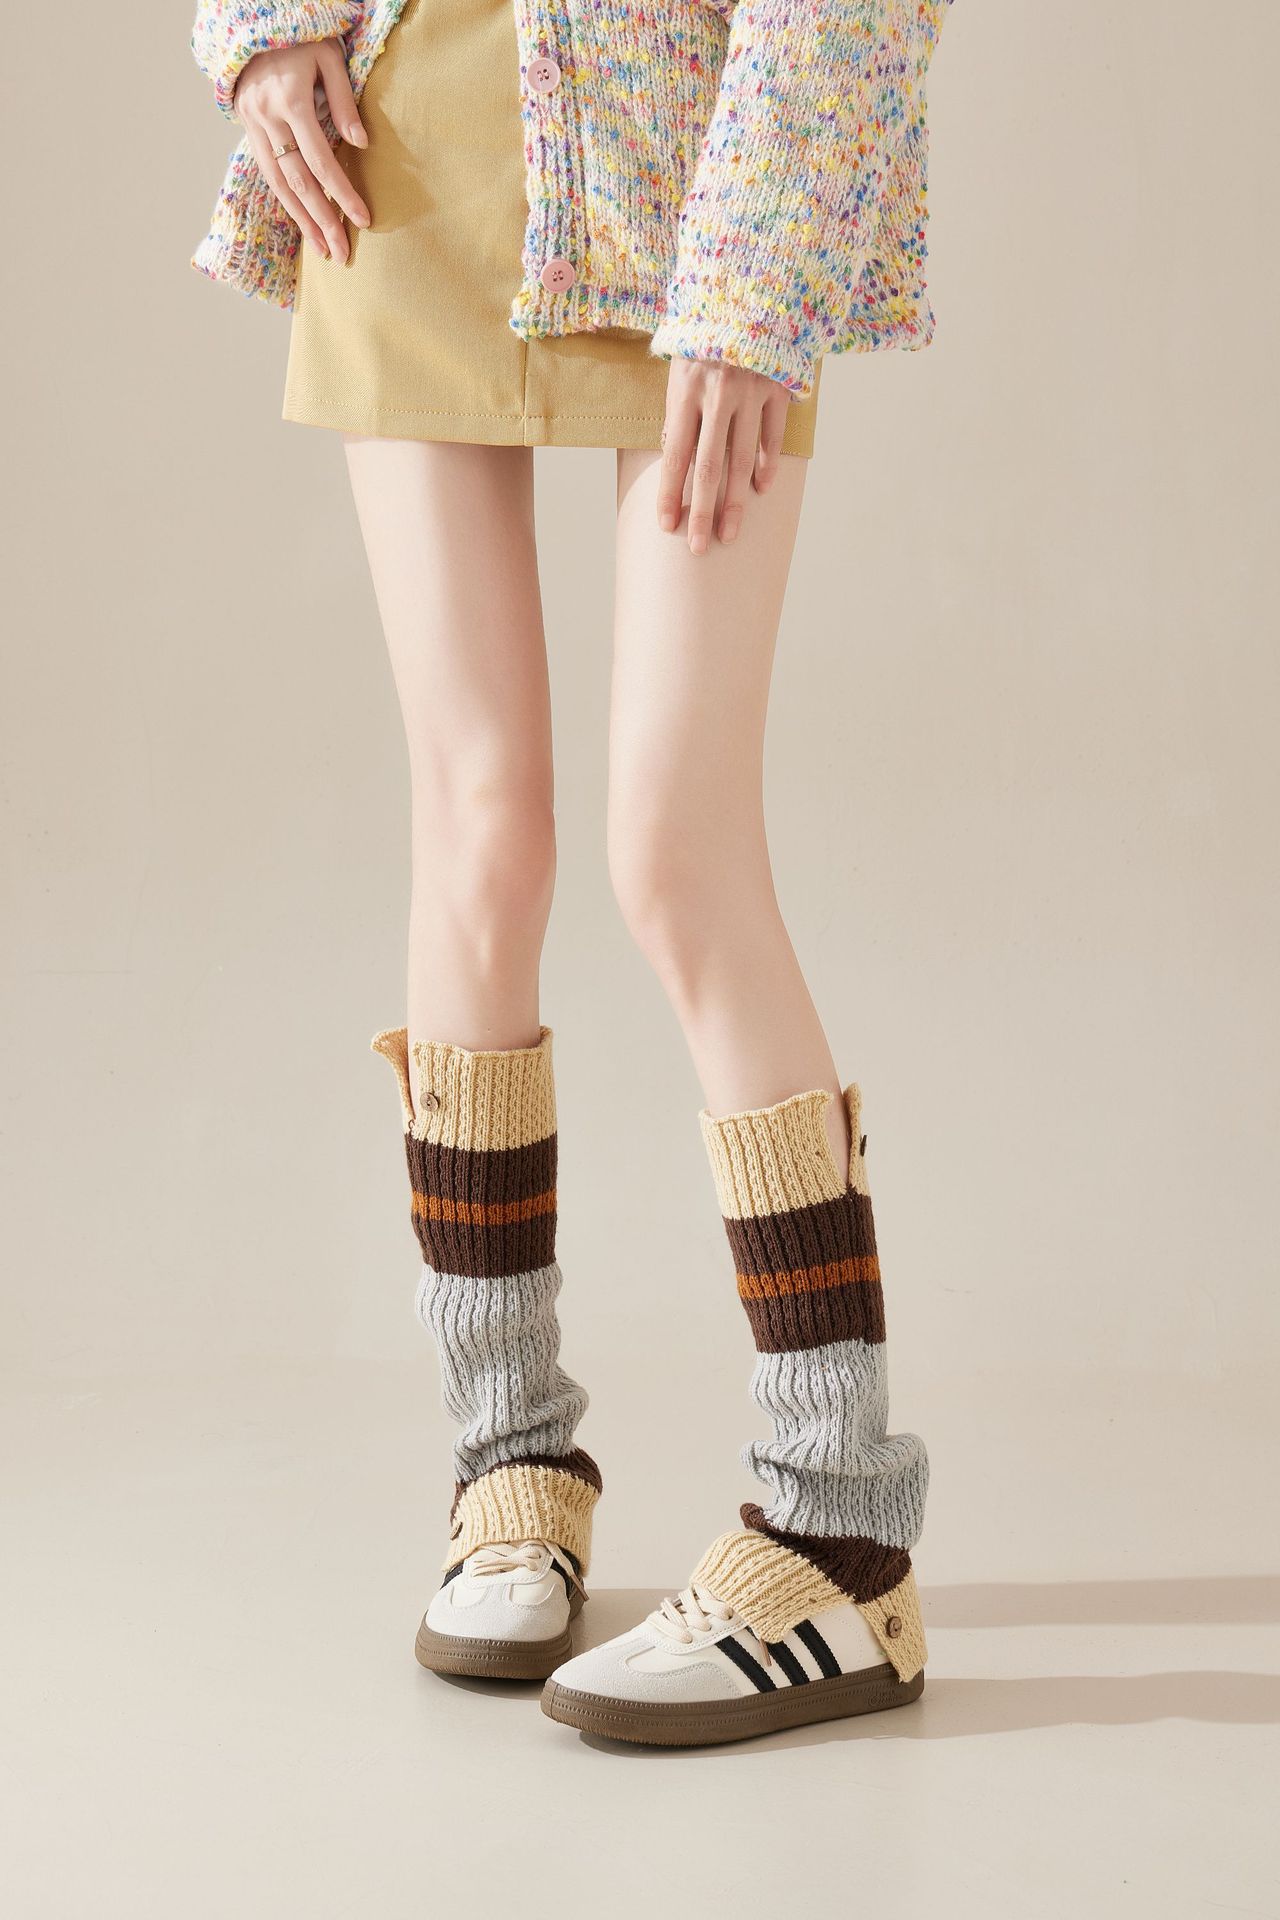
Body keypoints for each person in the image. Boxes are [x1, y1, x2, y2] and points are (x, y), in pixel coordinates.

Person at [190, 0, 952, 1747]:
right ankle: (507, 1461)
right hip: (401, 144)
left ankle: (838, 1524)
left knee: (675, 844)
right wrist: (265, 30)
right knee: (478, 827)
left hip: (710, 161)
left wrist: (760, 274)